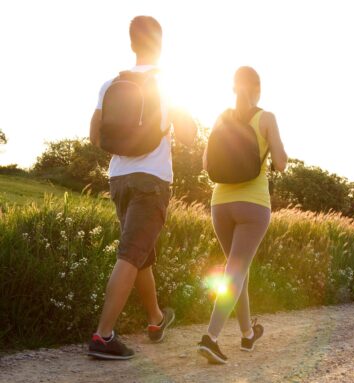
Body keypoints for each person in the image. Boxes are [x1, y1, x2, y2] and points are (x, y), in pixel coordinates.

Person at [87, 15, 197, 360]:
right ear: (160, 46)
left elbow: (95, 135)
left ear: (132, 44)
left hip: (118, 177)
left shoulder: (110, 84)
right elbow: (191, 137)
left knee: (140, 255)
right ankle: (103, 336)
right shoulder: (167, 85)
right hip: (152, 180)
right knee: (131, 255)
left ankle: (155, 318)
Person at [198, 66, 288, 364]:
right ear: (257, 89)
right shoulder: (267, 118)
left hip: (220, 204)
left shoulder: (221, 117)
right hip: (253, 205)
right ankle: (210, 338)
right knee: (235, 272)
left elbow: (206, 160)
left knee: (238, 271)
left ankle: (248, 334)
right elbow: (281, 163)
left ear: (234, 88)